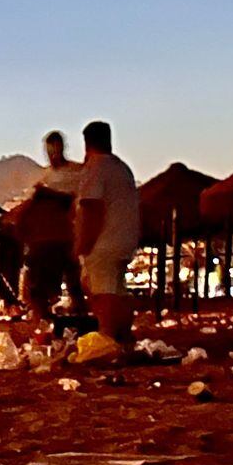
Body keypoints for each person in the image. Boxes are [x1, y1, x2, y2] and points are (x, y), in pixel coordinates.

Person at [15, 129, 84, 337]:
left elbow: (79, 201)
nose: (52, 154)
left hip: (67, 234)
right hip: (46, 237)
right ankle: (44, 324)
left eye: (55, 149)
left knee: (74, 284)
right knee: (38, 287)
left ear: (62, 147)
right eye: (49, 150)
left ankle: (78, 323)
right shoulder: (44, 177)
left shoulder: (77, 172)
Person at [75, 120, 139, 344]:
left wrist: (83, 244)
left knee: (102, 292)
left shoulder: (95, 168)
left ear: (86, 143)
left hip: (104, 240)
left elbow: (92, 208)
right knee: (118, 289)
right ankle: (123, 337)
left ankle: (108, 338)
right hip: (125, 238)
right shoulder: (122, 168)